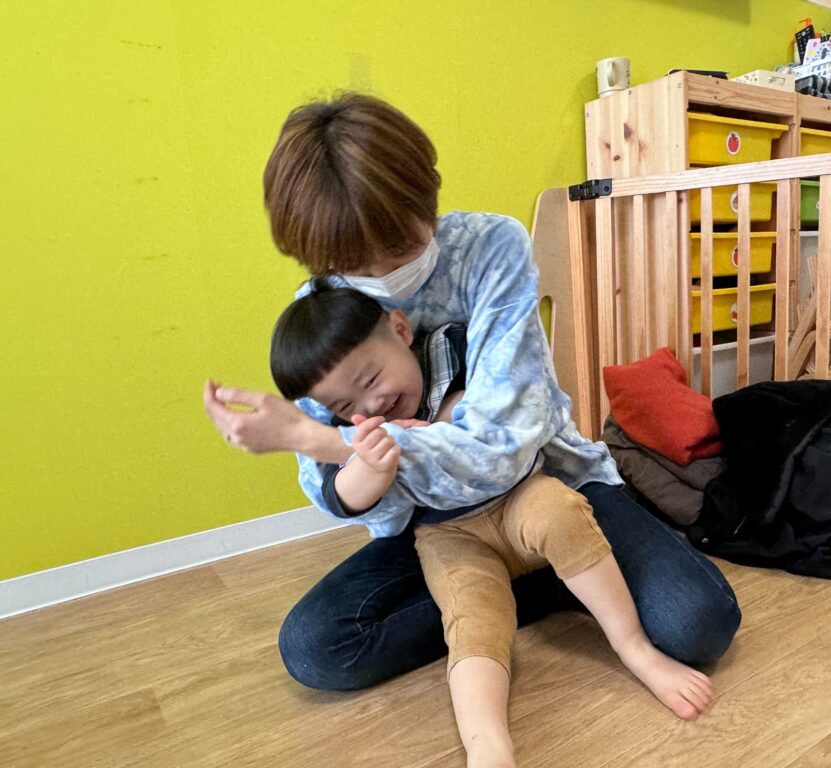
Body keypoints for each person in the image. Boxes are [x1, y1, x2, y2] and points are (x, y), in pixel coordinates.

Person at [202, 91, 740, 709]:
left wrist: (323, 440)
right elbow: (343, 496)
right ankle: (550, 581)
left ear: (427, 199)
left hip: (550, 486)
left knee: (700, 624)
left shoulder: (490, 249)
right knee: (317, 648)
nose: (380, 275)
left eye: (398, 249)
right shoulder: (318, 314)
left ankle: (555, 563)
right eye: (354, 265)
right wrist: (346, 457)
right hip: (438, 526)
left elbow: (502, 449)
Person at [268, 284, 714, 764]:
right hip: (447, 533)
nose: (370, 403)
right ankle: (487, 744)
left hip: (520, 494)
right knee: (471, 620)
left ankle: (635, 649)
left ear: (400, 330)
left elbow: (511, 409)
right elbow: (340, 495)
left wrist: (445, 425)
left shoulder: (456, 346)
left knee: (560, 514)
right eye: (345, 405)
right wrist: (371, 469)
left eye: (371, 377)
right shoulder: (353, 427)